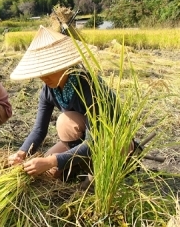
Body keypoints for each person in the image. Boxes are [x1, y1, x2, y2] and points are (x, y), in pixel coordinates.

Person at [8, 26, 134, 184]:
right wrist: (22, 152)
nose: (43, 77)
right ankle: (77, 163)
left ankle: (100, 167)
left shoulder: (89, 86)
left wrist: (51, 161)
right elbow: (39, 130)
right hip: (81, 141)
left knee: (65, 123)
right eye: (40, 72)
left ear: (64, 65)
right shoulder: (48, 90)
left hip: (110, 142)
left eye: (49, 70)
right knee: (48, 174)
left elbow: (93, 142)